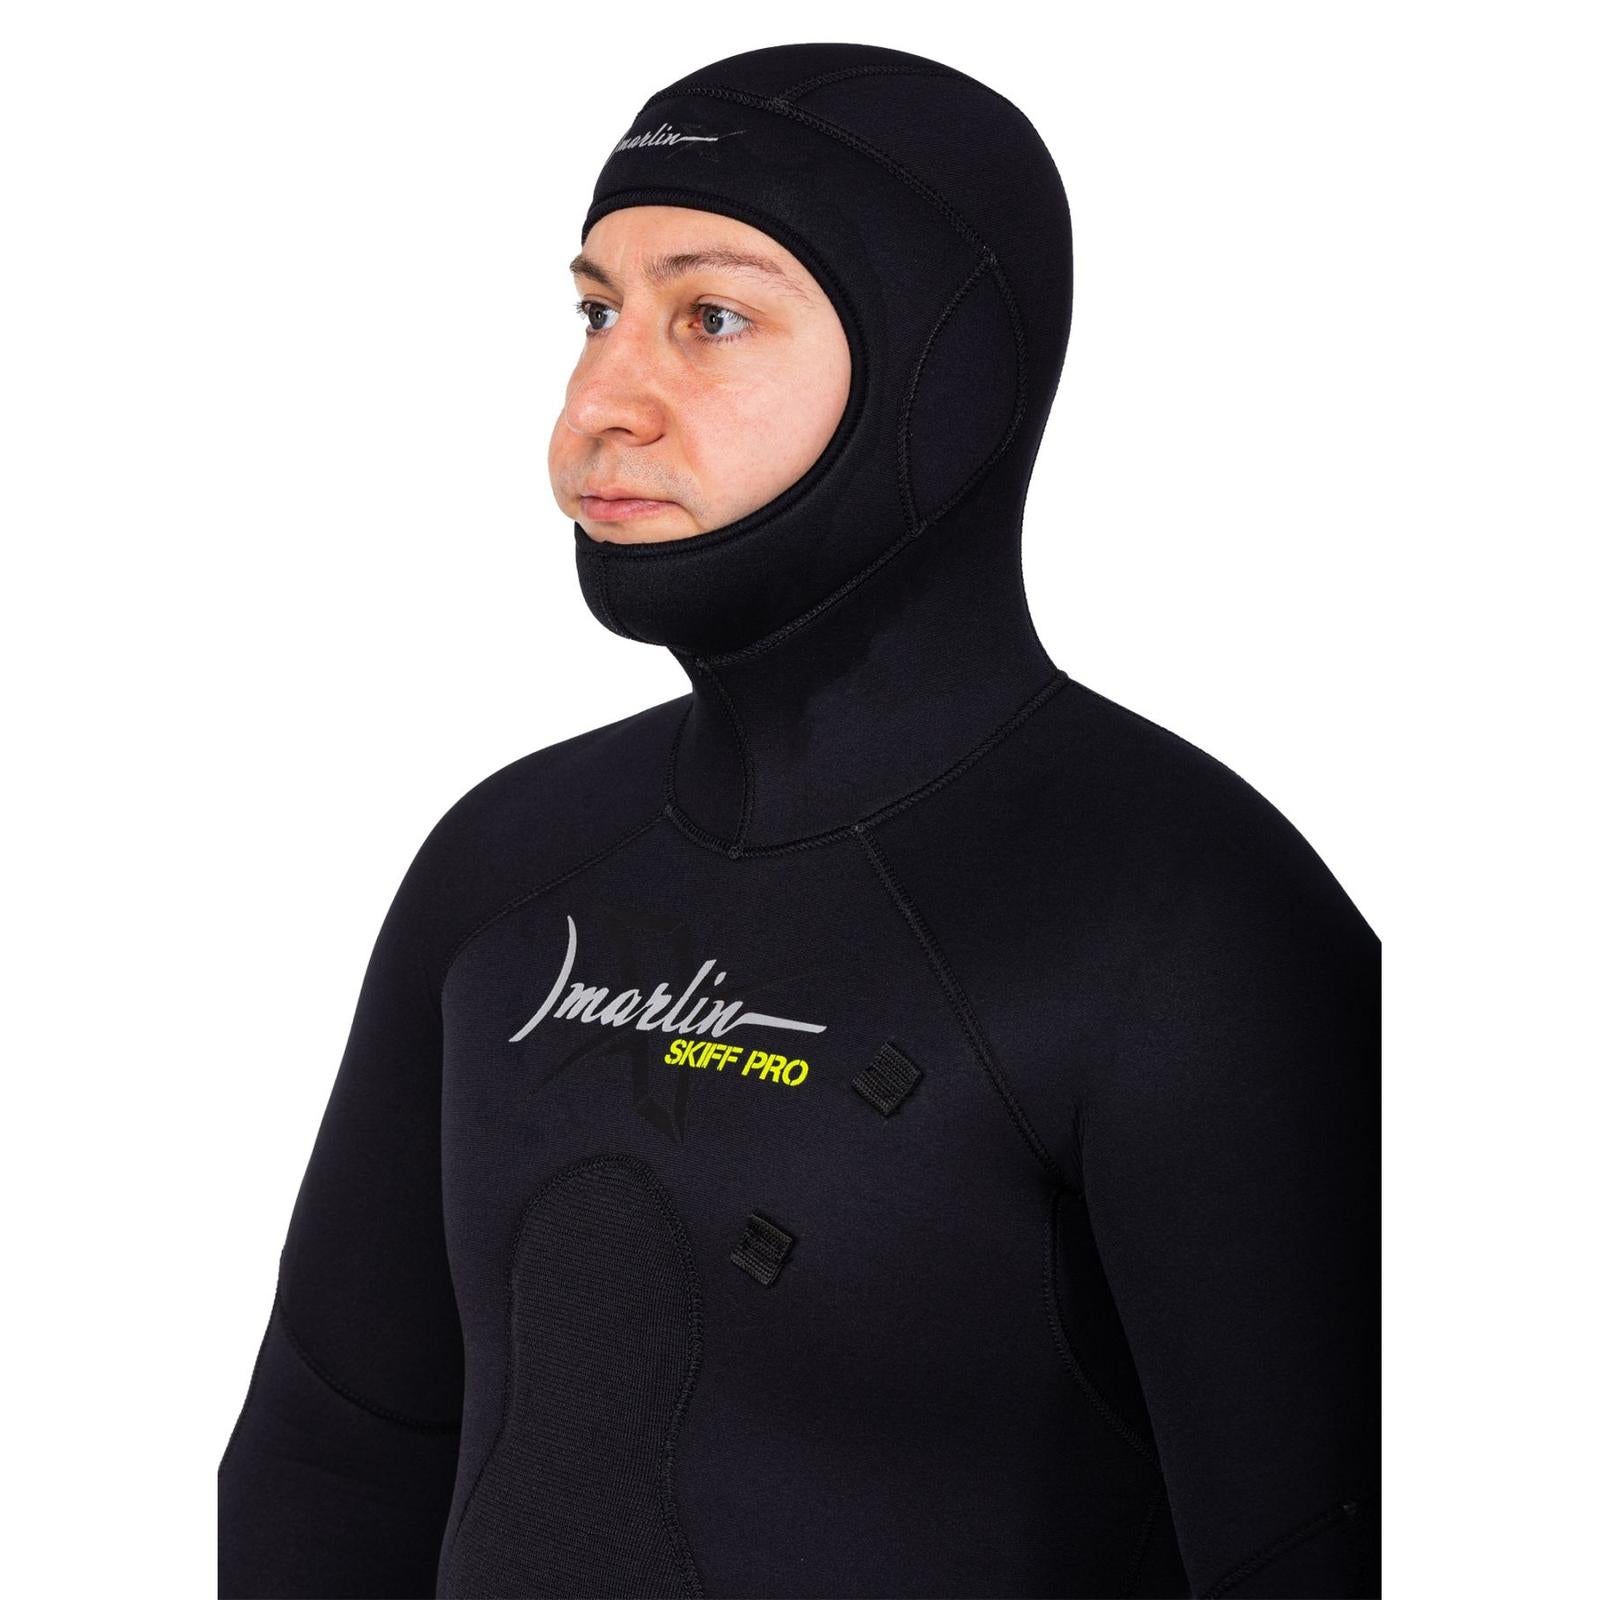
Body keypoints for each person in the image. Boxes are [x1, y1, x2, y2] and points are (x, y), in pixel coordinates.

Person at [218, 40, 1380, 1600]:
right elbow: (329, 1467)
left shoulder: (1193, 925)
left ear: (941, 370)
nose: (597, 408)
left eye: (710, 317)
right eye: (595, 313)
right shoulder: (505, 868)